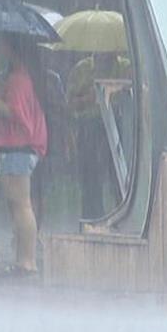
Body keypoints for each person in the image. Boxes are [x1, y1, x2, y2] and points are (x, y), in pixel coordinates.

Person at [0, 34, 48, 277]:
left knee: (22, 205)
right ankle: (21, 260)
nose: (0, 48)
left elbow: (14, 114)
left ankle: (27, 262)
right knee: (14, 206)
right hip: (10, 148)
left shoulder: (19, 80)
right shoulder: (15, 78)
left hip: (18, 147)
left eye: (3, 44)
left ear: (12, 47)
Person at [66, 51, 133, 222]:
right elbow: (69, 104)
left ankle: (124, 213)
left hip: (118, 124)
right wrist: (87, 99)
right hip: (89, 125)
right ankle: (92, 217)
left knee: (119, 174)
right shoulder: (82, 70)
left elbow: (138, 90)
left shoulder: (126, 67)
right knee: (90, 175)